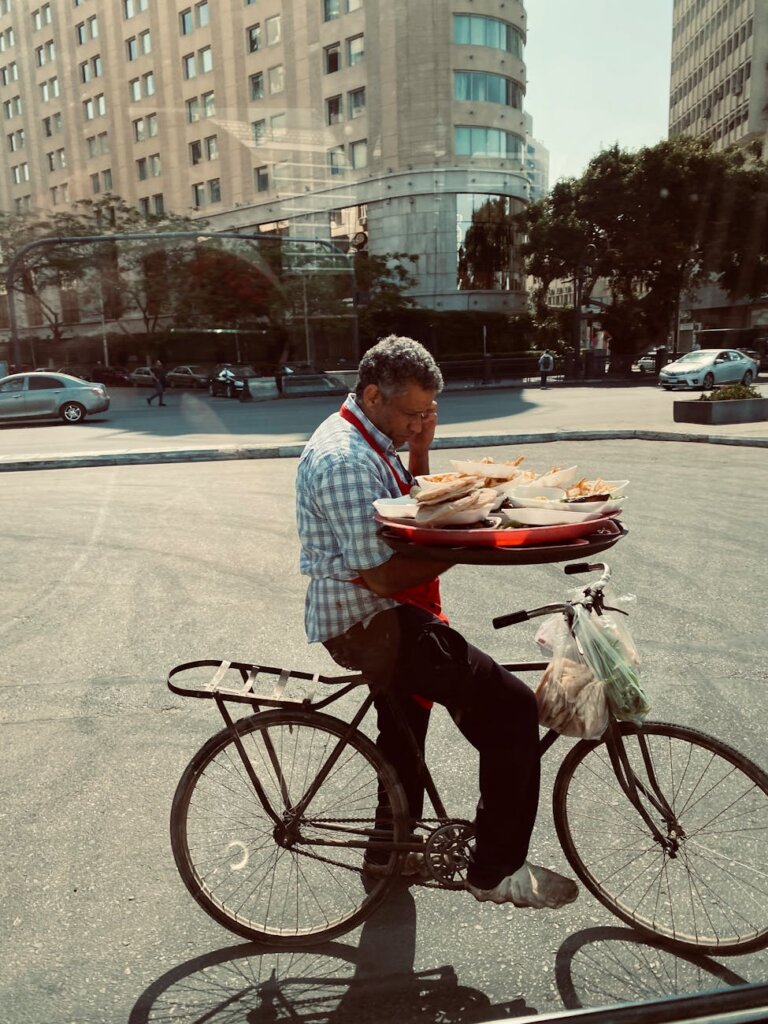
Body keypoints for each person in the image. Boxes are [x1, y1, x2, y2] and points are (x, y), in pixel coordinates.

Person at [295, 335, 578, 910]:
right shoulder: (346, 460)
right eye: (411, 413)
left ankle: (386, 850)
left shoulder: (371, 440)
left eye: (428, 412)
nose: (418, 422)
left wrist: (421, 452)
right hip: (373, 622)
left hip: (390, 617)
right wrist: (477, 537)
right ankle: (495, 870)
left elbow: (409, 513)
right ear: (373, 395)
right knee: (512, 710)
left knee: (403, 741)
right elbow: (381, 576)